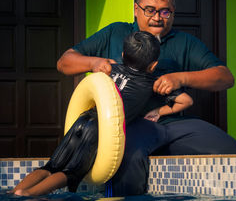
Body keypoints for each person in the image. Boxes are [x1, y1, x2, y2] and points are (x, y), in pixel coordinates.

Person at [57, 0, 236, 197]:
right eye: (150, 10)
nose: (157, 17)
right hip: (129, 127)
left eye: (165, 12)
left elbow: (225, 78)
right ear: (136, 10)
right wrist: (94, 63)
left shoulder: (184, 42)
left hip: (172, 125)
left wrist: (180, 78)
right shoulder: (116, 33)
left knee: (230, 149)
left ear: (173, 13)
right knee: (126, 156)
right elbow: (64, 62)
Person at [11, 31, 193, 196]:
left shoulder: (110, 69)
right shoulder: (151, 82)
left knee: (51, 166)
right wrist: (157, 111)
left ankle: (15, 192)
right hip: (99, 130)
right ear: (153, 66)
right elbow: (186, 101)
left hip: (83, 120)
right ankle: (29, 195)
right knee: (71, 173)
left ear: (123, 55)